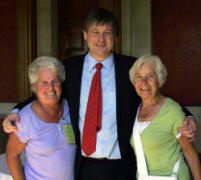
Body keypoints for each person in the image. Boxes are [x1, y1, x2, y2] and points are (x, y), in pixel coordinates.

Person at [3, 8, 197, 180]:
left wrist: (187, 116)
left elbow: (157, 96)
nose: (101, 39)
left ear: (115, 37)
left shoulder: (130, 68)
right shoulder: (69, 69)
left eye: (107, 33)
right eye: (95, 32)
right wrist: (16, 110)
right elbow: (46, 92)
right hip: (83, 166)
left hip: (122, 166)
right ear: (85, 35)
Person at [129, 55, 201, 180]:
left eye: (150, 76)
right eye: (139, 77)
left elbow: (190, 153)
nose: (144, 82)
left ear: (159, 79)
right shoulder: (134, 109)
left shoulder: (172, 111)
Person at [6, 57, 76, 180]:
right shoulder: (25, 118)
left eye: (55, 81)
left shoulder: (70, 108)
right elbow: (12, 156)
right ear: (35, 87)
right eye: (44, 83)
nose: (51, 88)